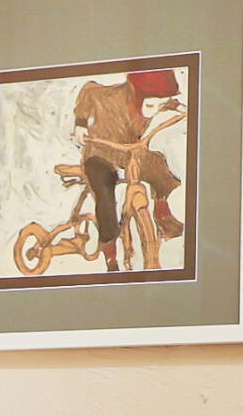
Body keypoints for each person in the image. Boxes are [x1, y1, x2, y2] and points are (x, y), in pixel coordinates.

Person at [70, 67, 186, 270]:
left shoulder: (152, 100)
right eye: (151, 104)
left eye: (159, 105)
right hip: (100, 153)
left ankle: (162, 214)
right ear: (135, 94)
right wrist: (80, 123)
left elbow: (161, 101)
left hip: (129, 152)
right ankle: (110, 253)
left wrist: (176, 105)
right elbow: (88, 90)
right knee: (105, 195)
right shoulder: (110, 97)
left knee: (158, 165)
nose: (154, 110)